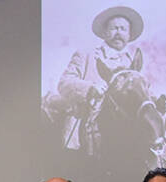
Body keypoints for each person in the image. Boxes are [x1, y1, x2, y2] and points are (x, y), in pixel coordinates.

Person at [46, 6, 146, 151]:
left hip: (121, 136)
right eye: (114, 28)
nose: (118, 33)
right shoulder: (86, 55)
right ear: (105, 33)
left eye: (123, 29)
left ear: (129, 34)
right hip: (85, 133)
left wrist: (160, 103)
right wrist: (90, 88)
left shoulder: (133, 63)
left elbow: (140, 96)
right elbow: (63, 83)